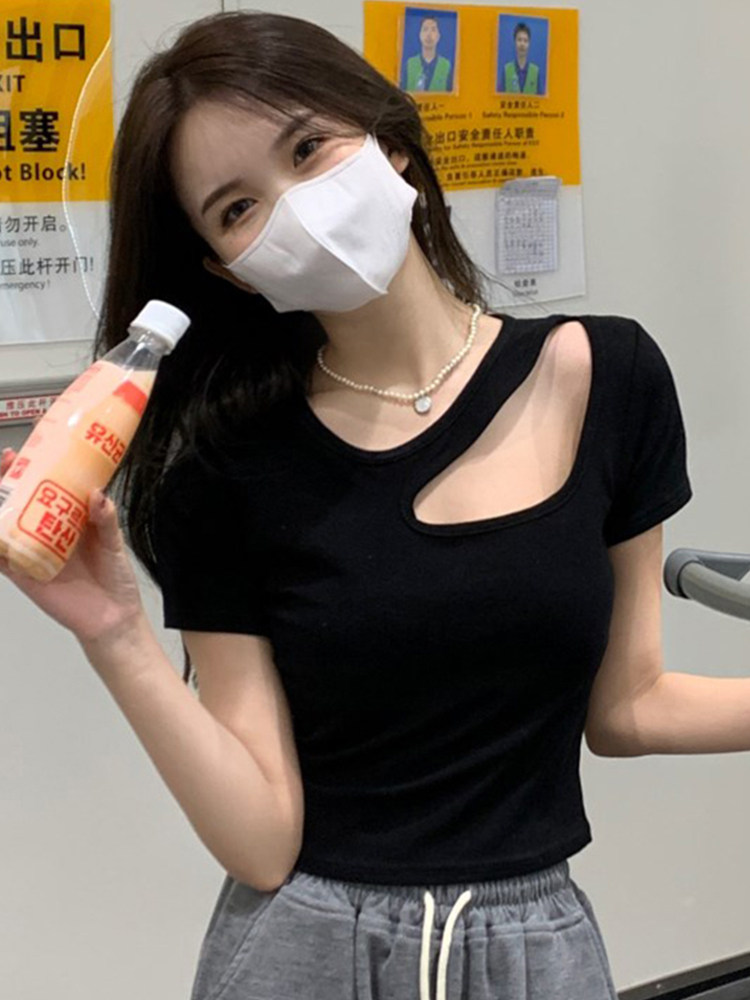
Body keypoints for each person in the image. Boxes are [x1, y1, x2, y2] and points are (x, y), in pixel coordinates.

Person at [8, 10, 743, 1000]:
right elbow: (262, 842)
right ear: (227, 268)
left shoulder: (607, 375)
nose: (297, 207)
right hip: (305, 950)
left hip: (536, 951)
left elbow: (627, 705)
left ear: (389, 139)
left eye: (308, 148)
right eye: (238, 207)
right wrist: (115, 635)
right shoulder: (225, 471)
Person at [404, 15, 454, 92]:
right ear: (420, 35)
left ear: (438, 36)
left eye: (433, 30)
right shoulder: (409, 64)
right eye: (425, 29)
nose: (429, 34)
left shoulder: (446, 66)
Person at [502, 21, 541, 94]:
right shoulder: (506, 70)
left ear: (529, 44)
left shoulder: (536, 71)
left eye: (525, 41)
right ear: (515, 42)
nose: (522, 44)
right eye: (519, 40)